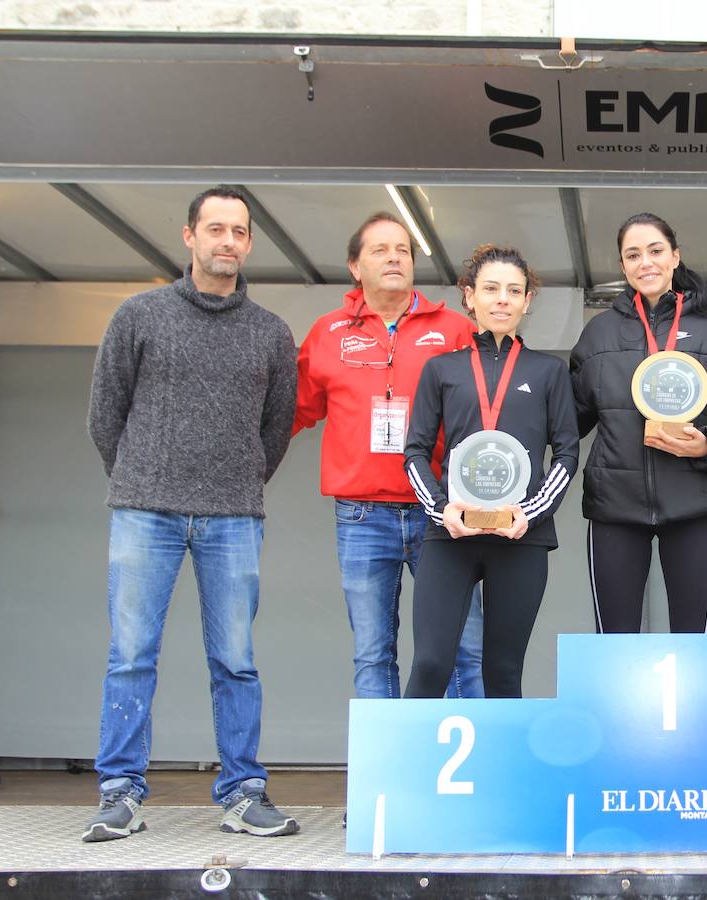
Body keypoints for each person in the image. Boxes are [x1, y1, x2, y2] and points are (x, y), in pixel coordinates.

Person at [84, 185, 299, 841]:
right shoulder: (138, 316)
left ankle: (242, 791)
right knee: (130, 655)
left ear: (249, 243)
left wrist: (232, 479)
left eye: (239, 231)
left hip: (233, 516)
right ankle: (119, 793)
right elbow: (105, 416)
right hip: (144, 510)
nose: (227, 241)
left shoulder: (271, 333)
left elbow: (275, 430)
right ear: (189, 237)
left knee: (235, 659)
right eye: (215, 229)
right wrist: (144, 475)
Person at [293, 212, 485, 703]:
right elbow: (293, 411)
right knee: (373, 652)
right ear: (355, 266)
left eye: (403, 249)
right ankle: (387, 774)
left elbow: (487, 415)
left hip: (442, 513)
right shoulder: (327, 333)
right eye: (380, 250)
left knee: (462, 647)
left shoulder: (455, 330)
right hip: (360, 516)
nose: (395, 257)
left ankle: (478, 772)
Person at [570, 213, 707, 634]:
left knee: (694, 645)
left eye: (656, 250)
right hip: (615, 509)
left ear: (675, 257)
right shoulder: (598, 335)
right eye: (633, 254)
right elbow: (566, 421)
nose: (645, 262)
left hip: (693, 506)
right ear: (623, 266)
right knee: (614, 645)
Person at [403, 245, 579, 698]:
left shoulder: (549, 371)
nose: (502, 299)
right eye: (491, 289)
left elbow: (566, 452)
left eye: (513, 291)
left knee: (503, 670)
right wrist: (443, 511)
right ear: (470, 297)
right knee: (429, 663)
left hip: (521, 536)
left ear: (526, 301)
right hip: (451, 534)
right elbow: (415, 452)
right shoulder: (441, 369)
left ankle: (506, 772)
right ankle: (405, 770)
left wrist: (531, 512)